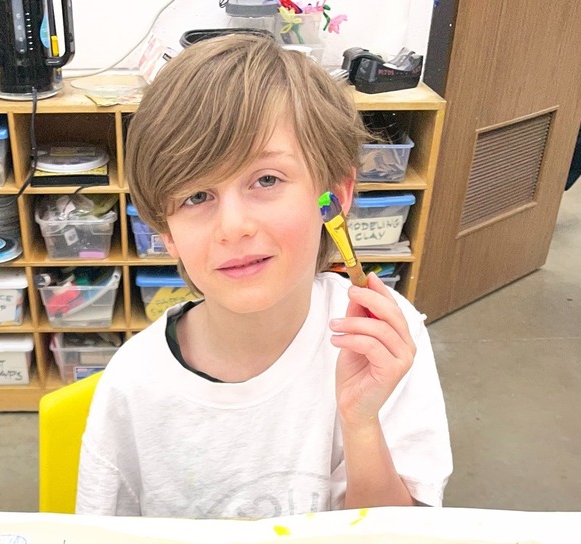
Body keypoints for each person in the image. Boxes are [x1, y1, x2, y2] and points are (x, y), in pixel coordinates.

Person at [75, 33, 452, 518]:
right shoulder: (133, 384)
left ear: (333, 196)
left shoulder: (382, 339)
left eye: (266, 180)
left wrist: (361, 425)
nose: (233, 227)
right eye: (196, 197)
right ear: (165, 233)